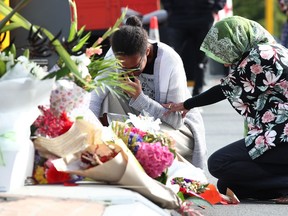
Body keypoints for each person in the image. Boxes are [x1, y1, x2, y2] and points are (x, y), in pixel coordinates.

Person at [163, 15, 288, 202]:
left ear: (236, 42)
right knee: (228, 185)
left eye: (223, 51)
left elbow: (224, 90)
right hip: (276, 133)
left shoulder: (263, 55)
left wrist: (186, 104)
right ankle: (281, 189)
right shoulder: (267, 49)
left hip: (282, 135)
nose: (224, 62)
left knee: (218, 163)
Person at [89, 16, 207, 169]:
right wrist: (89, 130)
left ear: (147, 52)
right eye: (123, 68)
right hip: (138, 121)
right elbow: (95, 96)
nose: (130, 72)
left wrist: (140, 98)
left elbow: (176, 121)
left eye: (135, 67)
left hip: (178, 129)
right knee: (109, 92)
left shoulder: (170, 61)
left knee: (145, 141)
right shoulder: (116, 54)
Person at [161, 0, 227, 96]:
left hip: (203, 16)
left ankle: (198, 92)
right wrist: (168, 7)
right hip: (178, 16)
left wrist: (216, 8)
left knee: (202, 57)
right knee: (171, 55)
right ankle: (171, 90)